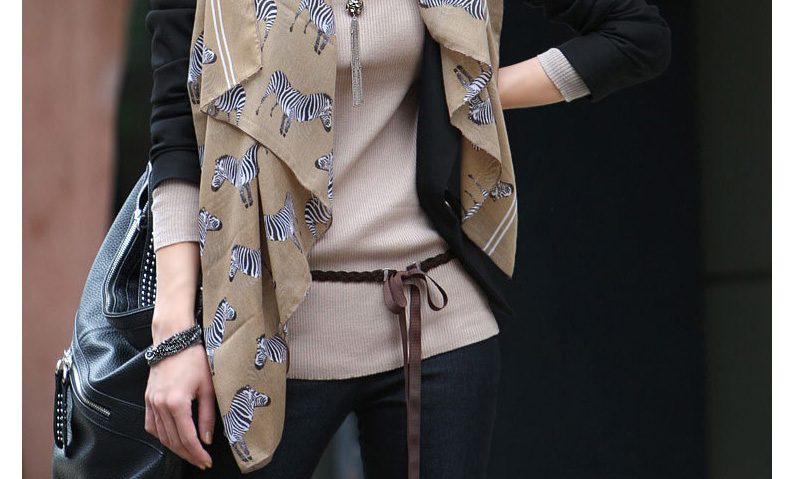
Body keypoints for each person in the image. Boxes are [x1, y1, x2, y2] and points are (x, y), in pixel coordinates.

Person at [143, 0, 671, 477]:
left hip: (436, 325)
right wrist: (174, 335)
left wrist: (473, 94)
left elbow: (636, 35)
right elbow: (177, 136)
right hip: (261, 331)